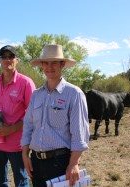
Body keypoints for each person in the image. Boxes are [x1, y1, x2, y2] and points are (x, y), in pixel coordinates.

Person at [21, 44, 90, 187]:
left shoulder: (74, 94)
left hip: (60, 163)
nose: (49, 67)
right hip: (36, 162)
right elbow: (28, 124)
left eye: (54, 63)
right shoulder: (36, 95)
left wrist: (73, 163)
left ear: (62, 64)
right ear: (41, 65)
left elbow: (79, 133)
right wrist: (25, 153)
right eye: (45, 63)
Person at [0, 45, 36, 187]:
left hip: (17, 145)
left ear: (17, 60)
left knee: (21, 181)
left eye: (11, 57)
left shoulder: (26, 83)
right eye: (4, 57)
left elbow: (33, 115)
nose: (7, 60)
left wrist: (12, 129)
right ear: (0, 60)